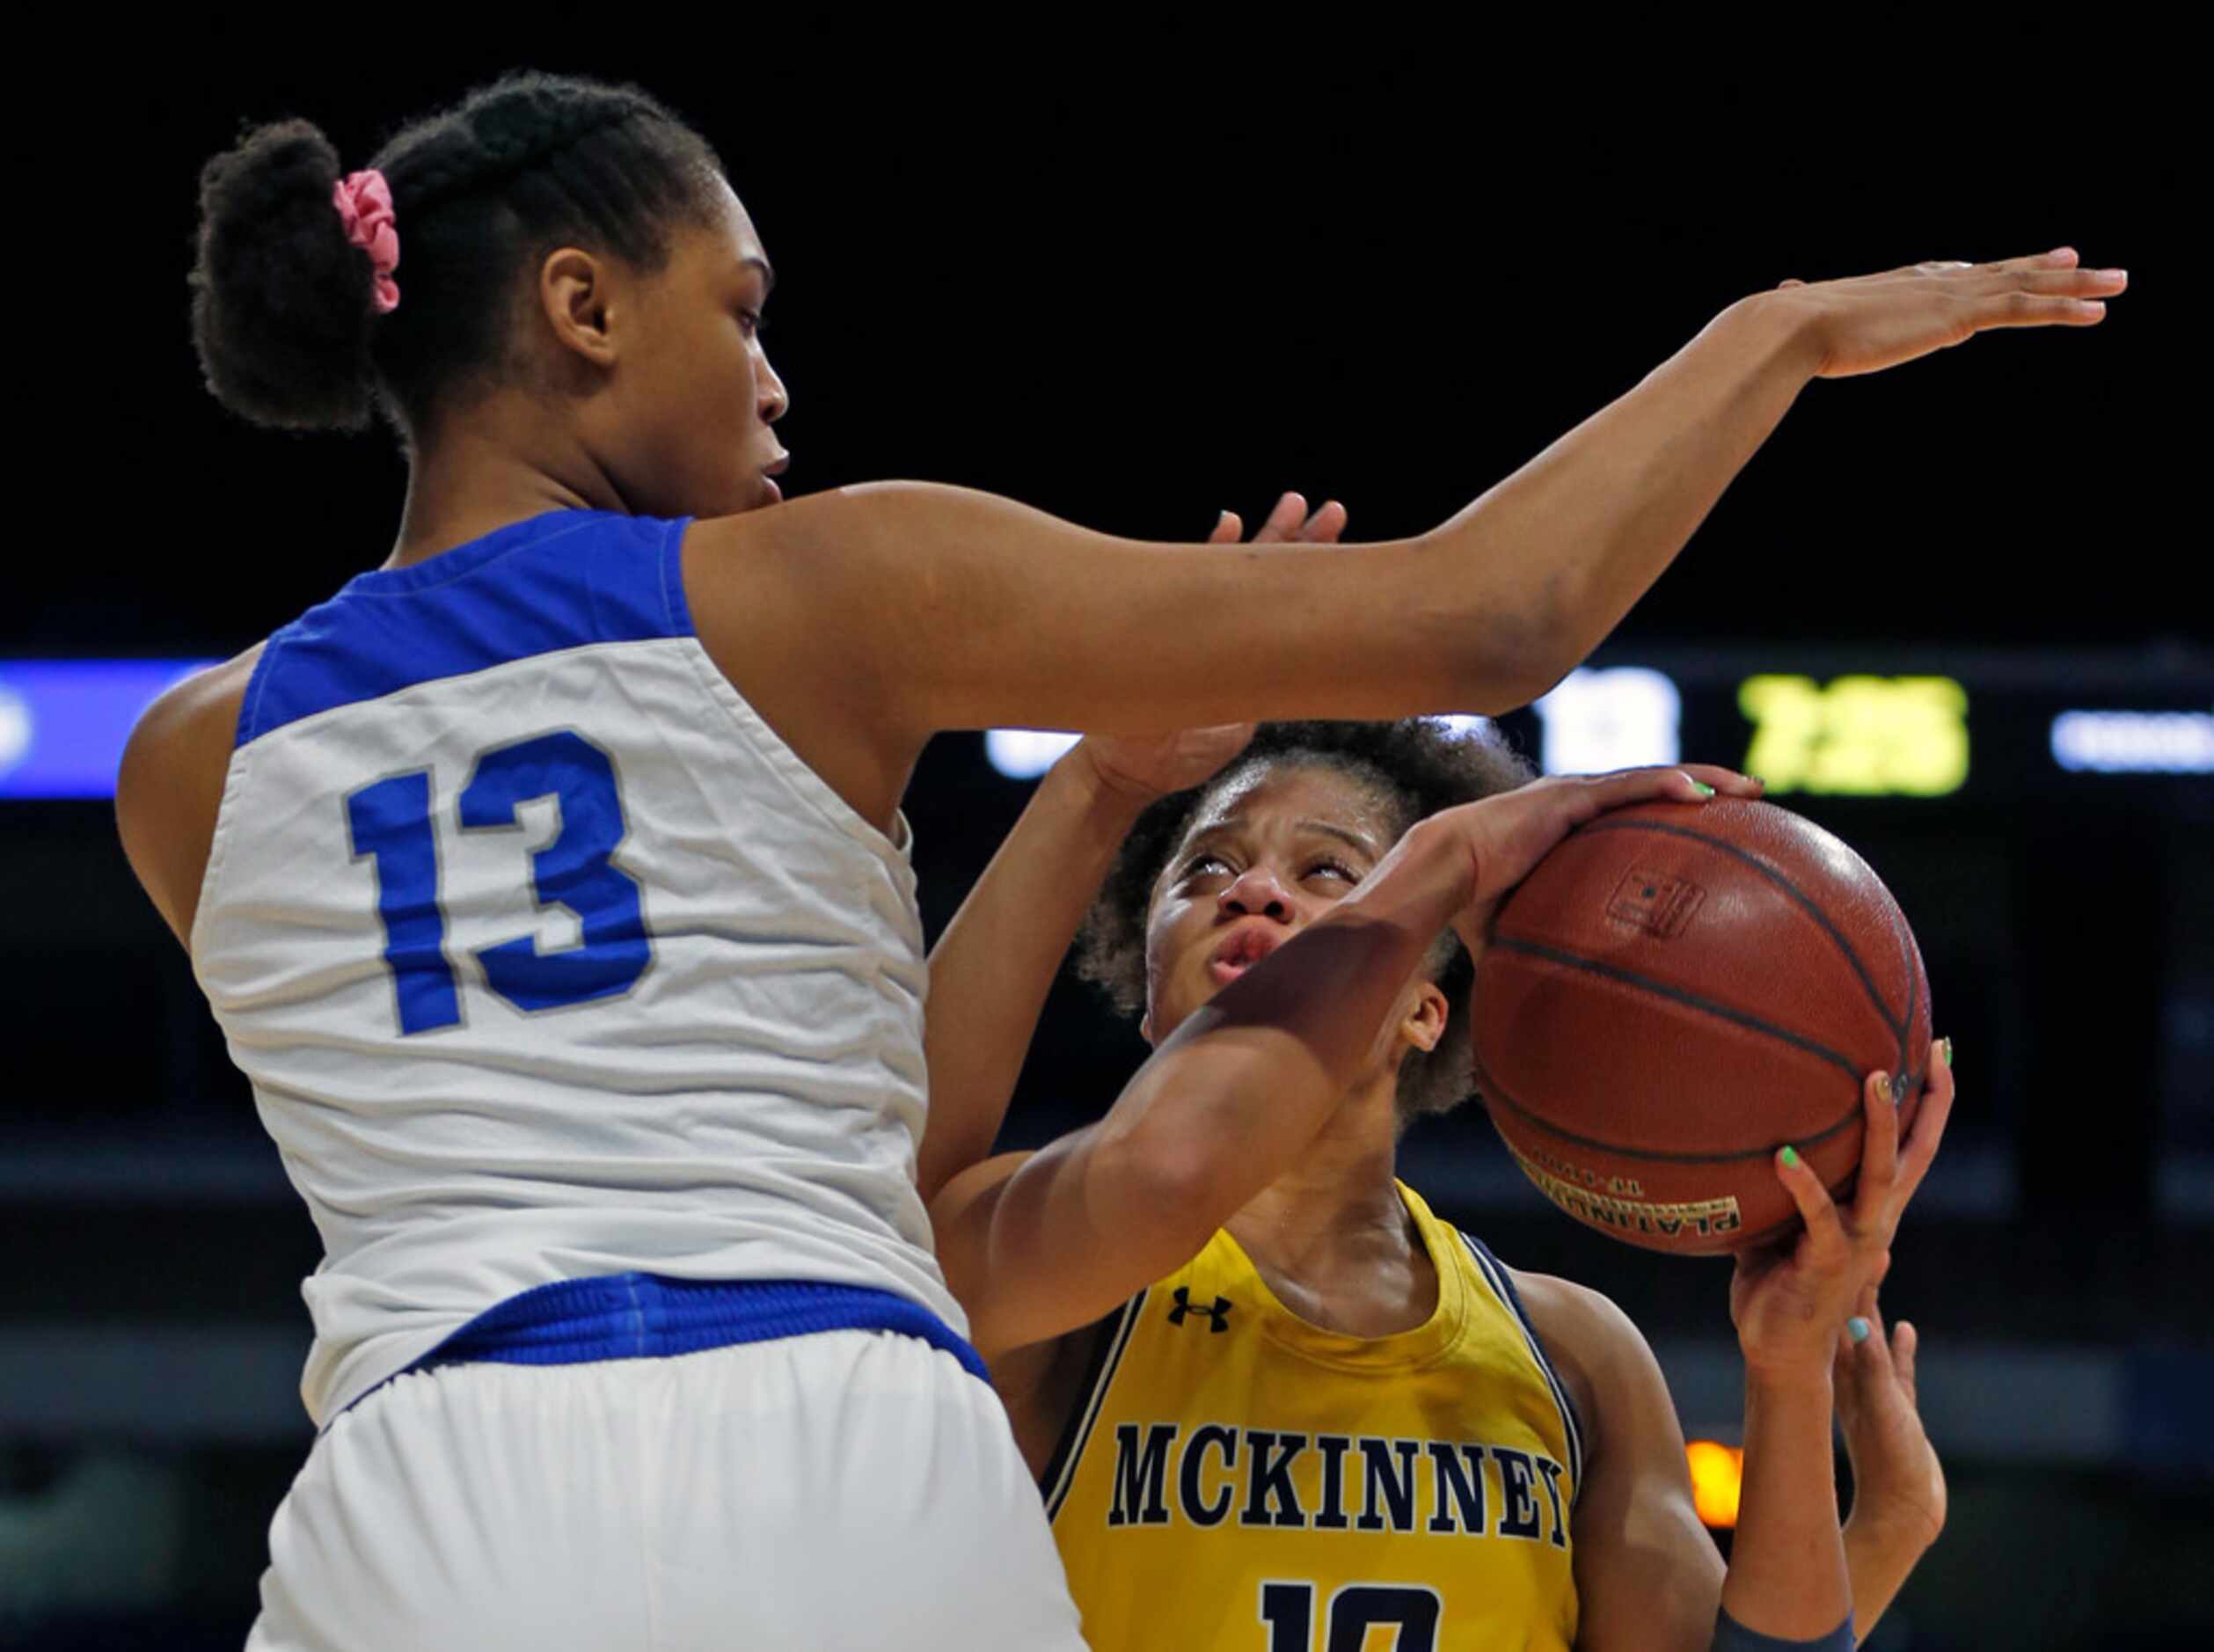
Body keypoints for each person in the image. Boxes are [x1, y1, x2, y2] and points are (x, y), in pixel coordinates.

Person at [117, 63, 2090, 1650]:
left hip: (425, 1489)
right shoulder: (817, 588)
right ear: (578, 305)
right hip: (842, 1449)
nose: (777, 386)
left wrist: (1088, 796)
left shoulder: (185, 765)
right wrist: (1781, 333)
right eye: (744, 314)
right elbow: (1494, 619)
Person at [923, 713, 1954, 1649]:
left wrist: (1791, 1382)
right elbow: (1136, 1172)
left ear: (1428, 1007)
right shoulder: (1041, 1268)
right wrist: (1100, 779)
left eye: (1332, 872)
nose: (1252, 888)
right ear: (1150, 990)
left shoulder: (1573, 1353)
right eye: (1204, 869)